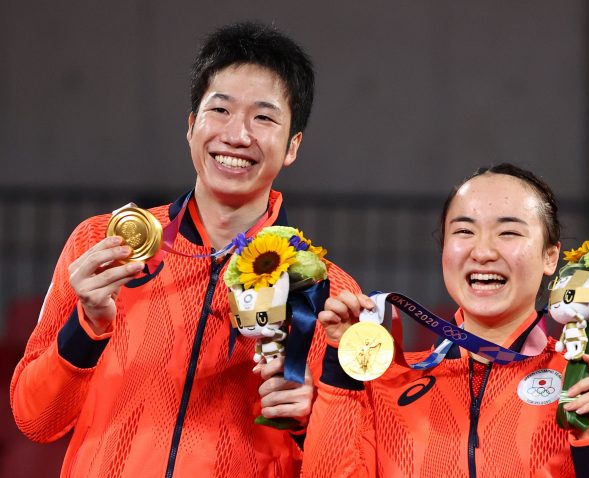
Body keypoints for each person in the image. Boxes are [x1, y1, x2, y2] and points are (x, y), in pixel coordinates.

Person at [10, 21, 359, 478]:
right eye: (220, 110)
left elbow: (345, 466)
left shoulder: (326, 294)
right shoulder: (103, 245)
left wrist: (310, 418)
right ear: (192, 126)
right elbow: (36, 420)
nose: (237, 135)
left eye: (264, 117)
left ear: (292, 145)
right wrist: (86, 327)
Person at [303, 164, 589, 477]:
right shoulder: (387, 383)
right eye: (464, 231)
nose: (482, 251)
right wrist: (340, 369)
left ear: (550, 256)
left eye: (508, 233)